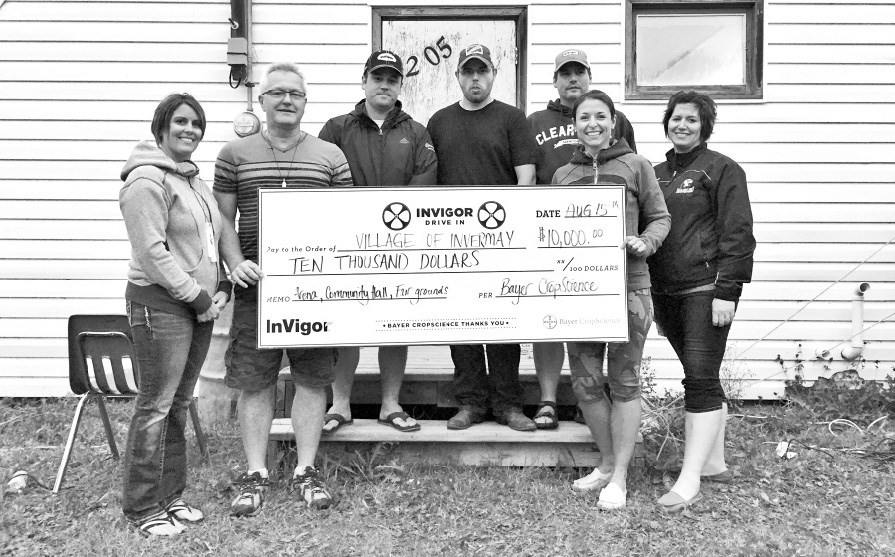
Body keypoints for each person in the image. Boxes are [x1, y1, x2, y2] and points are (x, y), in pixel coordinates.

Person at [214, 63, 353, 515]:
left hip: (313, 289)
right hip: (258, 288)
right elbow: (223, 220)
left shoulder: (330, 155)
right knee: (256, 381)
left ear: (306, 102)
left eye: (295, 93)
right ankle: (256, 472)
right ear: (262, 101)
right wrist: (235, 264)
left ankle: (306, 470)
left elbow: (347, 221)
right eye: (277, 93)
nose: (287, 100)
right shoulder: (234, 153)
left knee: (313, 379)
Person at [119, 93, 230, 536]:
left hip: (196, 309)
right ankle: (143, 507)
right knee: (155, 406)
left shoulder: (193, 182)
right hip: (161, 306)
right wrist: (198, 298)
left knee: (179, 404)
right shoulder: (145, 181)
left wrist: (219, 282)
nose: (190, 130)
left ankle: (171, 497)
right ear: (161, 127)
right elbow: (152, 253)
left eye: (197, 124)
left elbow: (207, 241)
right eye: (181, 122)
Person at [553, 90, 670, 509]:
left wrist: (645, 242)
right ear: (575, 125)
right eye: (585, 117)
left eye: (601, 116)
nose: (593, 124)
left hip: (630, 288)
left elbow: (660, 216)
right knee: (585, 383)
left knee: (624, 381)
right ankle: (605, 463)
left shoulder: (637, 166)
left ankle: (619, 477)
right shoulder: (562, 175)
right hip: (579, 293)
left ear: (614, 121)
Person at [318, 50, 437, 435]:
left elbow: (425, 182)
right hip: (348, 244)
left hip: (401, 246)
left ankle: (390, 403)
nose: (385, 84)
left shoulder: (416, 132)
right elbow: (324, 180)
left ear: (401, 85)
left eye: (393, 78)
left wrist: (394, 225)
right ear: (364, 81)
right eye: (378, 77)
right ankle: (340, 404)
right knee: (347, 324)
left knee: (395, 323)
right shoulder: (337, 128)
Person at [648, 91, 755, 511]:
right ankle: (712, 462)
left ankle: (689, 479)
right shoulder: (654, 173)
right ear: (667, 122)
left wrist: (728, 292)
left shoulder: (722, 169)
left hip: (706, 290)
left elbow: (739, 235)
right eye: (677, 118)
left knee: (700, 378)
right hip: (665, 292)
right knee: (702, 373)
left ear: (704, 125)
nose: (683, 125)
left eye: (692, 119)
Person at [426, 44, 539, 432]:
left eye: (483, 71)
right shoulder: (438, 121)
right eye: (468, 71)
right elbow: (429, 180)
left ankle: (509, 405)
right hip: (452, 242)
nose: (476, 78)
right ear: (457, 76)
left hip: (502, 240)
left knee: (505, 321)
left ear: (494, 75)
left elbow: (526, 177)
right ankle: (470, 403)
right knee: (461, 322)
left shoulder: (512, 118)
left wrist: (514, 228)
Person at [526, 48, 639, 429]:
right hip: (553, 235)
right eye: (565, 73)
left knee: (602, 330)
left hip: (605, 249)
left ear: (589, 76)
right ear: (555, 80)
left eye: (579, 72)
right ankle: (547, 399)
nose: (572, 79)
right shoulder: (534, 121)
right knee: (550, 320)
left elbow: (628, 178)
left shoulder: (616, 118)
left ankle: (592, 401)